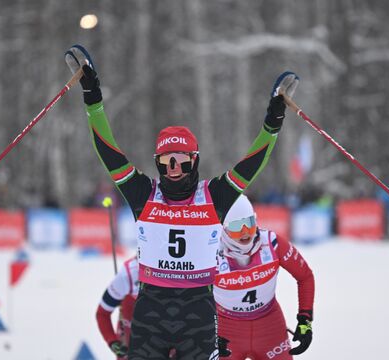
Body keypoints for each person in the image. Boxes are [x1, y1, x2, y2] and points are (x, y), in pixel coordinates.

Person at [65, 44, 299, 359]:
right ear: (157, 163)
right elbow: (108, 152)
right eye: (166, 162)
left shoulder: (214, 196)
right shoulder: (143, 193)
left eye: (182, 161)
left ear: (195, 160)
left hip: (198, 316)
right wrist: (92, 98)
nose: (174, 170)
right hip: (151, 315)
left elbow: (251, 164)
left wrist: (273, 121)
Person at [214, 195, 315, 360]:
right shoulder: (211, 252)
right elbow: (191, 293)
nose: (245, 231)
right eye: (237, 226)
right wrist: (207, 330)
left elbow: (305, 276)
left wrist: (305, 320)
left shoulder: (272, 243)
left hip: (269, 327)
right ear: (223, 228)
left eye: (250, 223)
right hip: (227, 330)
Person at [96, 256, 139, 359]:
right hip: (129, 346)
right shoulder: (128, 274)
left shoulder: (178, 272)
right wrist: (113, 342)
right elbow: (102, 314)